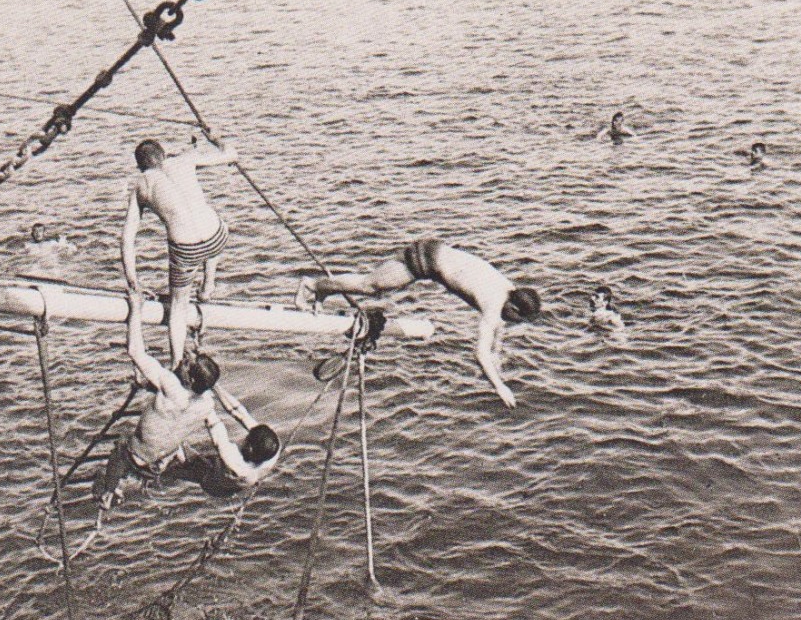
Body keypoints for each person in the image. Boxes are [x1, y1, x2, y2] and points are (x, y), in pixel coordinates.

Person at [295, 240, 540, 408]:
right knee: (371, 286)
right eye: (518, 319)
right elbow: (479, 353)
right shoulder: (493, 304)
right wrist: (500, 387)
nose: (515, 323)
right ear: (513, 308)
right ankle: (313, 285)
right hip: (424, 260)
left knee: (374, 288)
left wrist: (497, 354)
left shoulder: (508, 290)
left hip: (435, 253)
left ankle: (323, 291)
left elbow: (498, 329)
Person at [94, 289, 279, 509]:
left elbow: (135, 351)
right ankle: (162, 466)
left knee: (121, 446)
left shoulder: (231, 458)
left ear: (190, 378)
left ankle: (108, 492)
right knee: (176, 434)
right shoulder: (208, 405)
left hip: (203, 479)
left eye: (187, 364)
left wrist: (136, 307)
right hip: (160, 463)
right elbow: (235, 411)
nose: (182, 361)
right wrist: (208, 379)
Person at [121, 137, 238, 369]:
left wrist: (133, 281)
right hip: (217, 238)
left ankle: (176, 365)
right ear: (163, 156)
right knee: (217, 222)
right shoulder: (184, 160)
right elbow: (231, 154)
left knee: (178, 307)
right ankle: (208, 284)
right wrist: (213, 136)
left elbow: (127, 238)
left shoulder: (141, 185)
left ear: (139, 167)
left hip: (187, 250)